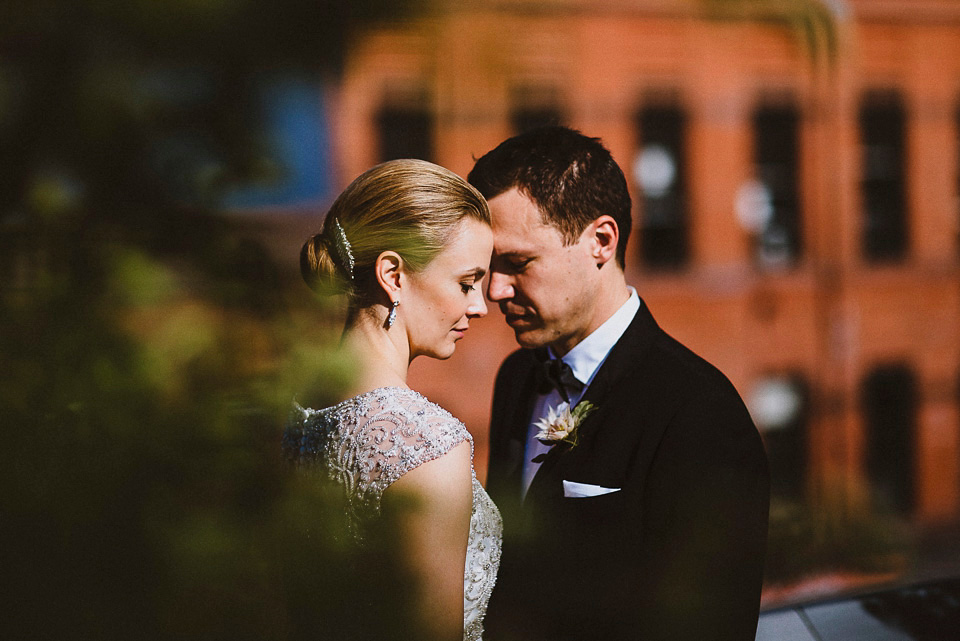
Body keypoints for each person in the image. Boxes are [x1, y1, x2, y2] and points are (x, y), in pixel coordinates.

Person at [468, 126, 769, 641]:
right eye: (490, 267)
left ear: (601, 242)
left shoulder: (699, 412)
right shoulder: (516, 377)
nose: (495, 290)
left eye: (517, 263)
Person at [282, 159, 502, 641]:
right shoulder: (427, 444)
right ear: (393, 275)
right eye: (466, 282)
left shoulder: (301, 409)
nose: (480, 306)